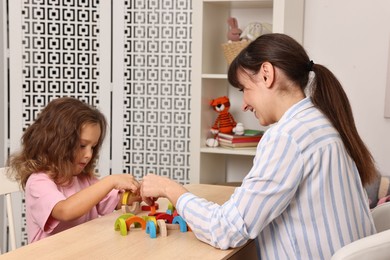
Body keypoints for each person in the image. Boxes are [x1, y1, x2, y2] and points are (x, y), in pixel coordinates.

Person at [140, 33, 377, 259]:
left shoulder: (287, 136)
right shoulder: (321, 121)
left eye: (244, 90)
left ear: (266, 74)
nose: (243, 104)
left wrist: (171, 190)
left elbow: (226, 230)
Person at [7, 97, 140, 243]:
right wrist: (111, 181)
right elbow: (65, 211)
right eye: (82, 145)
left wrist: (142, 192)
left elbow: (118, 201)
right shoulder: (38, 182)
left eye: (93, 147)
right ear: (56, 143)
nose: (89, 154)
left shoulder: (84, 179)